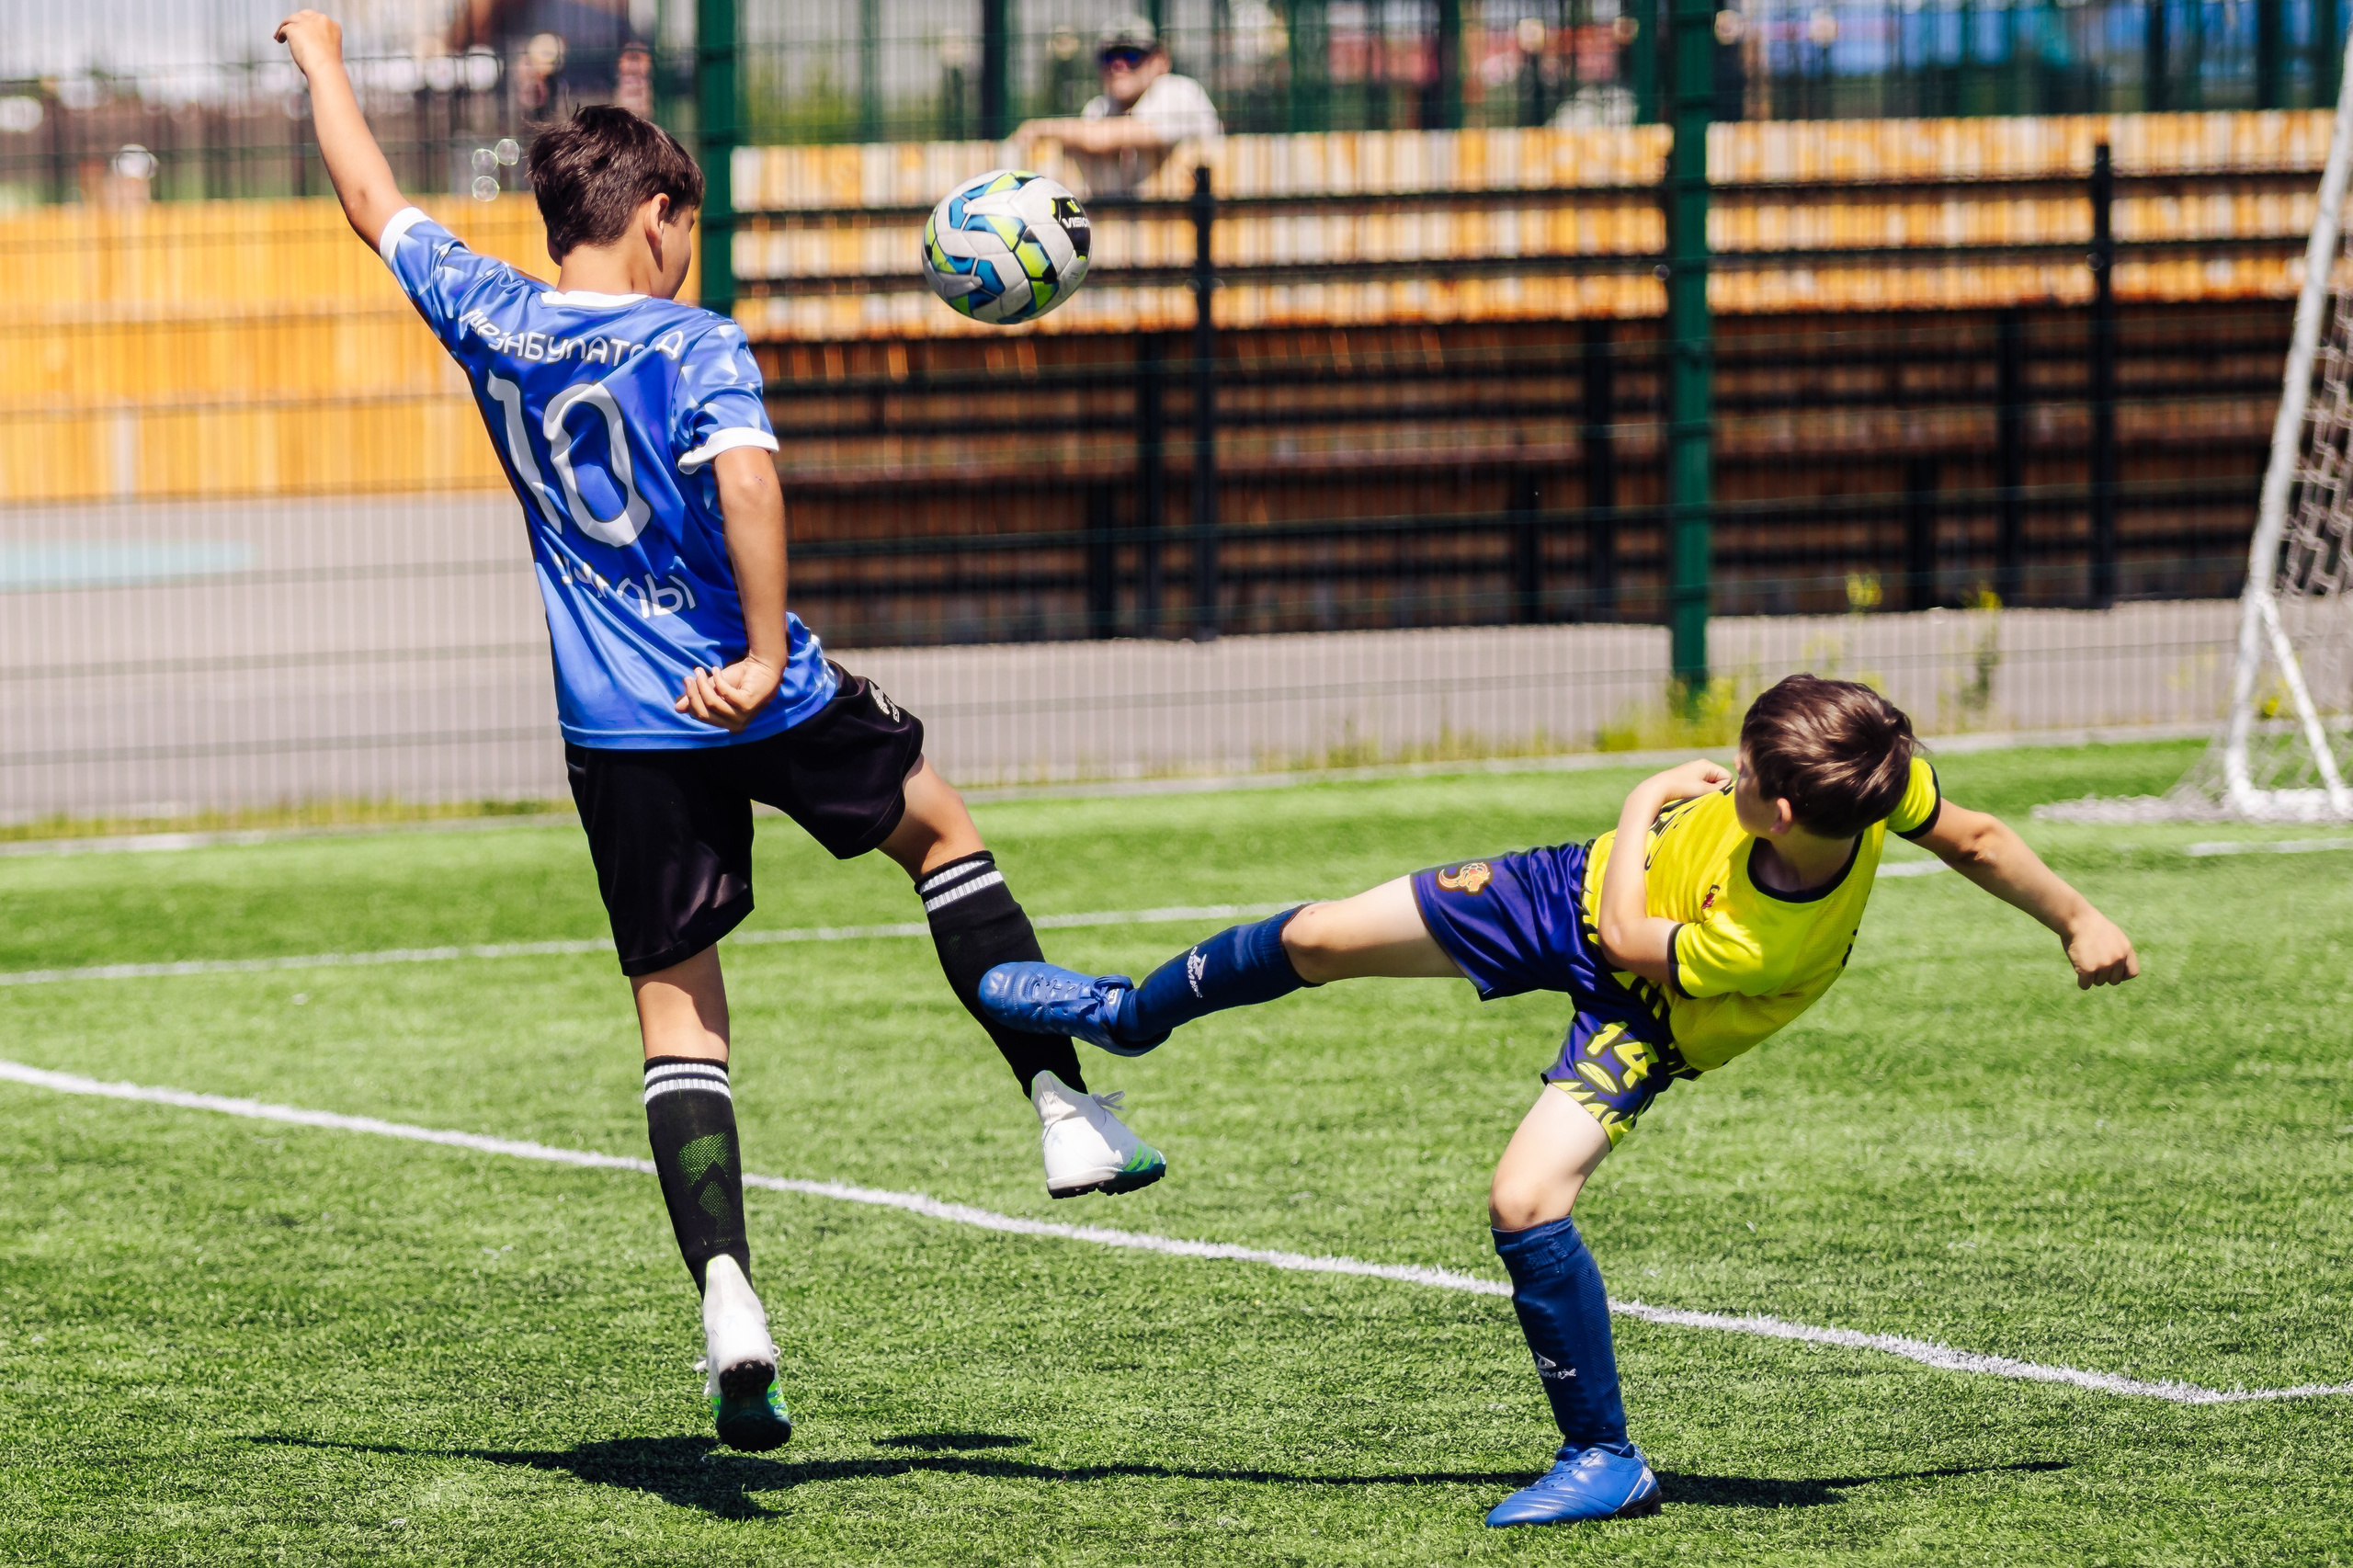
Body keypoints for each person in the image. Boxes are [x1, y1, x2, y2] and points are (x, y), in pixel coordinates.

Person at [273, 9, 1165, 1455]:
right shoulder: (694, 340)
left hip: (616, 723)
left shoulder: (488, 310)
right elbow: (747, 485)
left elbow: (373, 202)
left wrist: (320, 60)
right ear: (659, 213)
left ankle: (731, 1296)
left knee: (679, 1010)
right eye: (686, 221)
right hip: (758, 688)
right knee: (938, 829)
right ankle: (1063, 1108)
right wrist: (758, 654)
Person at [978, 674, 2140, 1528]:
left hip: (1649, 1006)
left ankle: (1605, 1454)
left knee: (1524, 1197)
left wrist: (1640, 798)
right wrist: (2078, 917)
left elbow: (1637, 941)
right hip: (1562, 890)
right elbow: (1977, 835)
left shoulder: (1754, 932)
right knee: (1320, 932)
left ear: (1782, 812)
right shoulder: (1879, 774)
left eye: (1741, 772)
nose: (1727, 772)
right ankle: (1129, 1010)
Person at [1012, 16, 1221, 197]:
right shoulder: (1099, 108)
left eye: (1131, 55)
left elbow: (1100, 137)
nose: (1118, 65)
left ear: (1160, 61)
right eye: (1109, 56)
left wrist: (1039, 128)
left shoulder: (1178, 92)